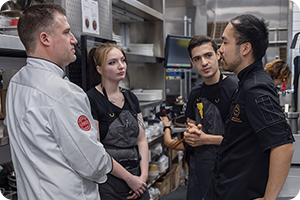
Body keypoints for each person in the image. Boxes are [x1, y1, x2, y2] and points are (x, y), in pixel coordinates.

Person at [4, 3, 146, 200]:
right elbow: (92, 163)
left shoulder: (16, 83)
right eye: (67, 32)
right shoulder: (64, 92)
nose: (74, 40)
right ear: (45, 38)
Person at [202, 14, 294, 200]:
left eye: (225, 43)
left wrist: (269, 199)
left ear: (245, 48)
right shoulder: (246, 82)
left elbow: (283, 146)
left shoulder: (256, 88)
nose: (219, 50)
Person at [86, 42, 149, 200]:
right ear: (99, 69)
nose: (121, 66)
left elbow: (141, 140)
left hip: (137, 178)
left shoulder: (131, 98)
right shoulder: (91, 99)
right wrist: (129, 179)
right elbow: (97, 149)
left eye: (123, 60)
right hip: (110, 183)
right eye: (113, 63)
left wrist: (143, 178)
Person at [183, 35, 238, 200]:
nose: (204, 63)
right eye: (197, 59)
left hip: (228, 168)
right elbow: (190, 124)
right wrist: (190, 134)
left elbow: (241, 139)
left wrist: (206, 139)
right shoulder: (195, 93)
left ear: (218, 55)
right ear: (192, 63)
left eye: (208, 55)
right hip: (201, 168)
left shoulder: (235, 90)